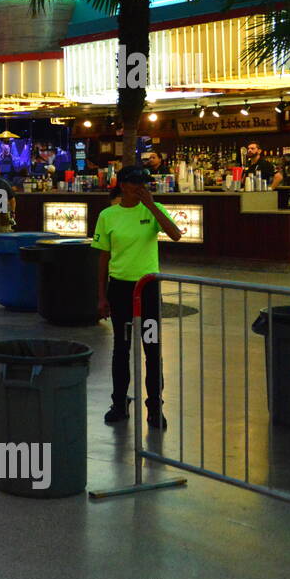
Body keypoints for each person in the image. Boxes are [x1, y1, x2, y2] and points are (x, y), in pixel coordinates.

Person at [93, 165, 182, 428]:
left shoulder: (153, 210)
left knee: (151, 349)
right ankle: (119, 403)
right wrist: (101, 296)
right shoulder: (108, 216)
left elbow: (175, 234)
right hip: (120, 290)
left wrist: (152, 206)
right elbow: (103, 257)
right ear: (123, 185)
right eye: (135, 184)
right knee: (121, 348)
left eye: (144, 183)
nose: (141, 188)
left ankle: (155, 407)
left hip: (148, 290)